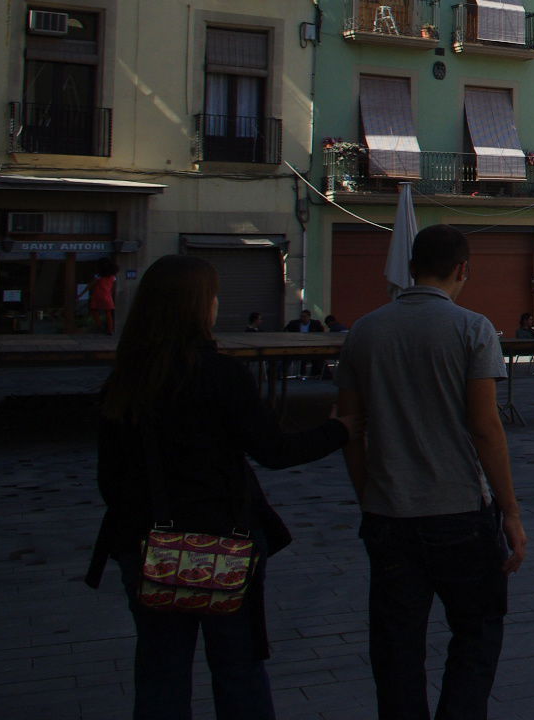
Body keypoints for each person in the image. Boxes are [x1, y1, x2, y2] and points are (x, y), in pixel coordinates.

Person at [87, 254, 354, 720]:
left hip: (148, 545)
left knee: (160, 672)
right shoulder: (220, 375)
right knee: (238, 669)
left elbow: (109, 478)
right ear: (197, 307)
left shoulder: (125, 380)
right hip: (222, 542)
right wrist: (339, 430)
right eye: (212, 297)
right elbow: (273, 451)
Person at [337, 225, 525, 720]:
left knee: (396, 648)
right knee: (478, 631)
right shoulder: (473, 328)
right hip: (461, 512)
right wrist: (510, 512)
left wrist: (367, 495)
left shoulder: (364, 330)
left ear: (410, 267)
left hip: (389, 513)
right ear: (463, 269)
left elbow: (348, 430)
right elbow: (485, 427)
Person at [90, 257, 119, 335]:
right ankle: (110, 330)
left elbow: (91, 285)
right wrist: (111, 294)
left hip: (98, 295)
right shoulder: (112, 277)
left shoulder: (98, 276)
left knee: (94, 310)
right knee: (108, 313)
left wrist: (81, 294)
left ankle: (100, 326)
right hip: (107, 296)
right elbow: (114, 287)